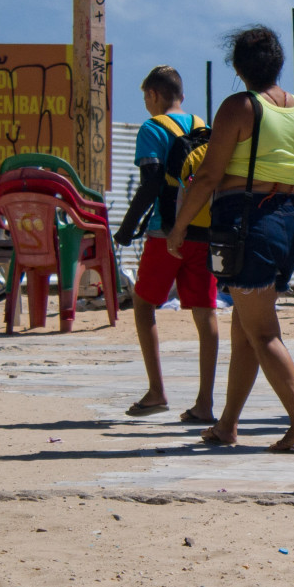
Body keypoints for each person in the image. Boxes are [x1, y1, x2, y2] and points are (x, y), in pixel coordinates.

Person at [165, 25, 294, 453]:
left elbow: (206, 177)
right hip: (285, 223)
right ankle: (227, 424)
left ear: (239, 67)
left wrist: (180, 225)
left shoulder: (239, 108)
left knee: (262, 332)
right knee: (245, 328)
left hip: (246, 225)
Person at [112, 65, 220, 423]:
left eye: (145, 97)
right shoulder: (202, 125)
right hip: (204, 231)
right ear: (182, 96)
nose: (145, 104)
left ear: (154, 95)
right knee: (206, 314)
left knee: (144, 306)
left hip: (166, 233)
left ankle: (157, 390)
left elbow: (151, 183)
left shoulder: (152, 128)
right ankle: (205, 401)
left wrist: (127, 228)